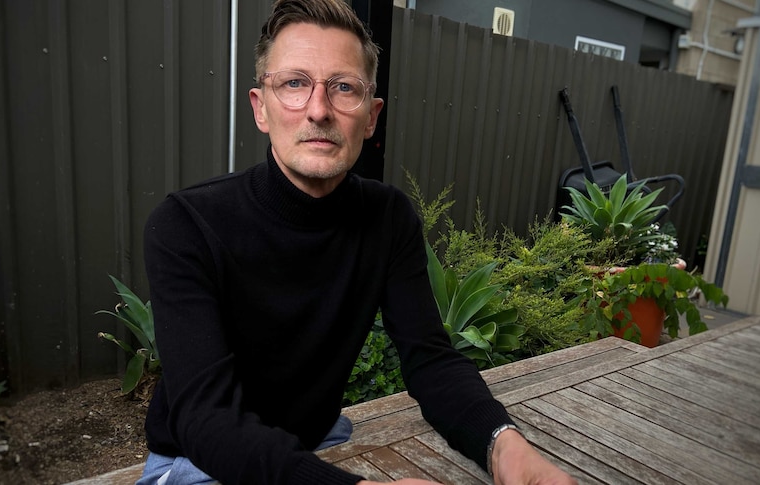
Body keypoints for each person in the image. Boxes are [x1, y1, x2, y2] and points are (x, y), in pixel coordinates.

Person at [138, 0, 577, 484]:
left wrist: (503, 445)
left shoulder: (388, 217)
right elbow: (206, 418)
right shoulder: (186, 224)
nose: (319, 110)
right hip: (198, 458)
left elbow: (429, 360)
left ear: (370, 117)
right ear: (261, 108)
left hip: (310, 439)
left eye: (344, 87)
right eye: (294, 84)